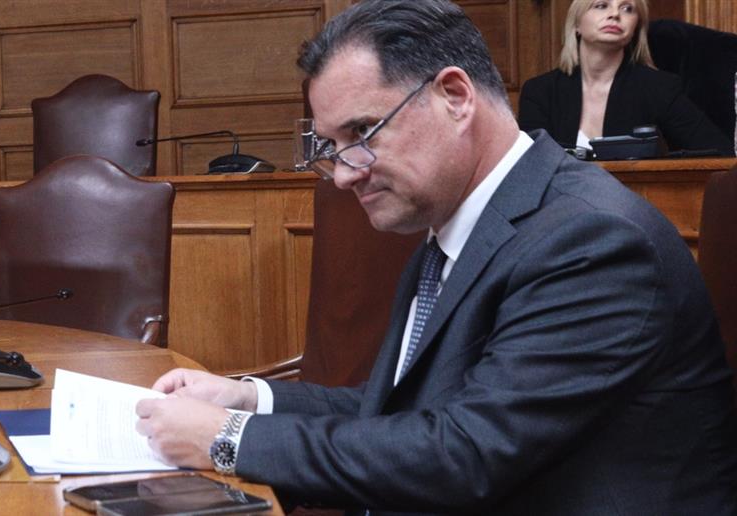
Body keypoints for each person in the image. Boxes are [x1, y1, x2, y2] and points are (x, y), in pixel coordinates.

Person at [135, 1, 737, 514]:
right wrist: (249, 399)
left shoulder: (590, 241)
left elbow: (465, 453)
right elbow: (409, 409)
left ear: (454, 96)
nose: (343, 175)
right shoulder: (464, 221)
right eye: (332, 147)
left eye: (362, 134)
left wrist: (231, 438)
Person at [518, 0, 729, 153]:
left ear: (636, 28)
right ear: (576, 24)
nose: (615, 14)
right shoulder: (539, 91)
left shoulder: (659, 87)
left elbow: (720, 154)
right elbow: (529, 167)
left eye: (627, 8)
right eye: (601, 5)